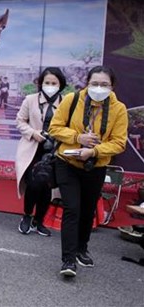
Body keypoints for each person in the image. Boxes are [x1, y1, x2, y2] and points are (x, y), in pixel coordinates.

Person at [49, 66, 128, 278]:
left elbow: (119, 143)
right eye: (95, 83)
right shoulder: (72, 100)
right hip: (67, 162)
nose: (99, 88)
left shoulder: (118, 109)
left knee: (87, 210)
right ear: (87, 83)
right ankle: (68, 259)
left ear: (112, 86)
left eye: (104, 84)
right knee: (72, 208)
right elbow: (54, 128)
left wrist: (94, 151)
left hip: (96, 166)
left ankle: (81, 248)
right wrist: (78, 138)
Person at [15, 67, 66, 237]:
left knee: (47, 186)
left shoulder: (66, 102)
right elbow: (20, 121)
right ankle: (27, 216)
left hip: (55, 151)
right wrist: (33, 133)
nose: (50, 86)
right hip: (33, 149)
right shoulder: (30, 100)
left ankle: (39, 220)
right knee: (34, 183)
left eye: (54, 83)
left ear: (60, 84)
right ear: (41, 83)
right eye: (47, 82)